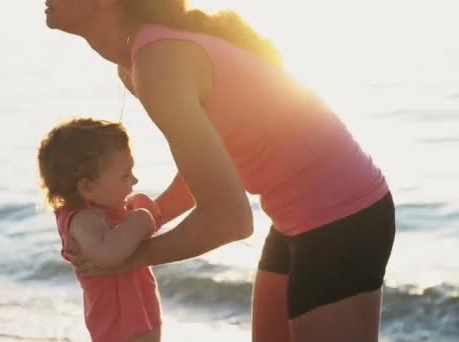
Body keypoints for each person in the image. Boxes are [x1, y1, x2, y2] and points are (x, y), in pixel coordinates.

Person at [44, 1, 396, 341]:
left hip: (344, 217)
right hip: (294, 220)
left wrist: (122, 259)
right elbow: (210, 164)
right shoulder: (136, 63)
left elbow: (230, 220)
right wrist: (148, 216)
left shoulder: (158, 61)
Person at [37, 118, 164, 342]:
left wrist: (139, 212)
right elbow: (107, 255)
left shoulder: (106, 210)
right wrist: (141, 219)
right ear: (87, 187)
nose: (134, 180)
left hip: (137, 323)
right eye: (126, 175)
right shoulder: (83, 219)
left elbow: (134, 238)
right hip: (119, 330)